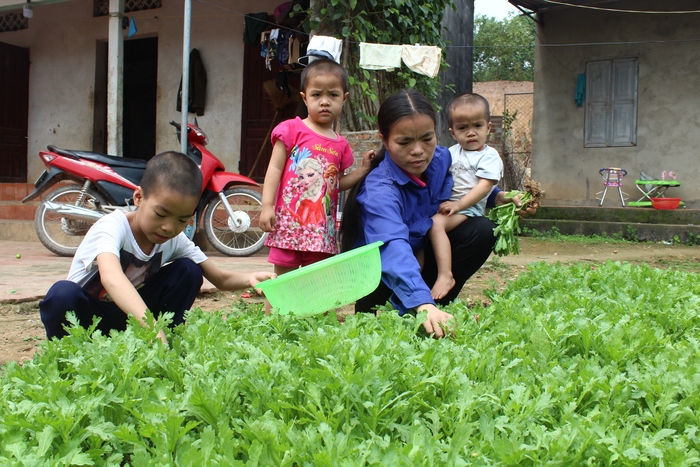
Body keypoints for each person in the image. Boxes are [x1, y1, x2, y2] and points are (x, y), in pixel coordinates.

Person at [342, 89, 527, 338]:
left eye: (427, 139)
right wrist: (422, 302)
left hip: (418, 250)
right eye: (405, 142)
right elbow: (392, 246)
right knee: (393, 269)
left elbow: (463, 187)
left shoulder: (440, 159)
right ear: (384, 140)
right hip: (380, 268)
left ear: (437, 135)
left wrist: (502, 199)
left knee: (481, 230)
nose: (418, 151)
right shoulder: (380, 190)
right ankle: (414, 307)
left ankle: (435, 310)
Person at [39, 151, 275, 344]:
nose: (169, 227)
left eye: (182, 219)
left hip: (131, 318)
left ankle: (162, 336)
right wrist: (151, 327)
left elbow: (220, 278)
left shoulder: (175, 239)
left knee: (188, 270)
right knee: (62, 294)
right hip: (88, 316)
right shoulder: (112, 226)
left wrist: (250, 277)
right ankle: (69, 350)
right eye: (161, 214)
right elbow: (111, 278)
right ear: (139, 198)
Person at [260, 58, 374, 288]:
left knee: (318, 284)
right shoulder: (292, 129)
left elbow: (336, 184)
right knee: (282, 282)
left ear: (344, 98)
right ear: (304, 97)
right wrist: (266, 206)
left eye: (332, 95)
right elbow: (274, 169)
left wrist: (363, 169)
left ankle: (315, 323)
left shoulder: (341, 145)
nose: (324, 102)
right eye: (316, 95)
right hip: (288, 225)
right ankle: (274, 323)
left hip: (321, 229)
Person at [427, 93, 503, 300]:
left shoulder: (489, 156)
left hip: (467, 209)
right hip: (449, 206)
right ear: (452, 132)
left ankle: (445, 275)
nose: (470, 133)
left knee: (435, 225)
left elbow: (484, 186)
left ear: (488, 128)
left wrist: (458, 205)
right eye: (463, 128)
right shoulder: (451, 152)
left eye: (477, 126)